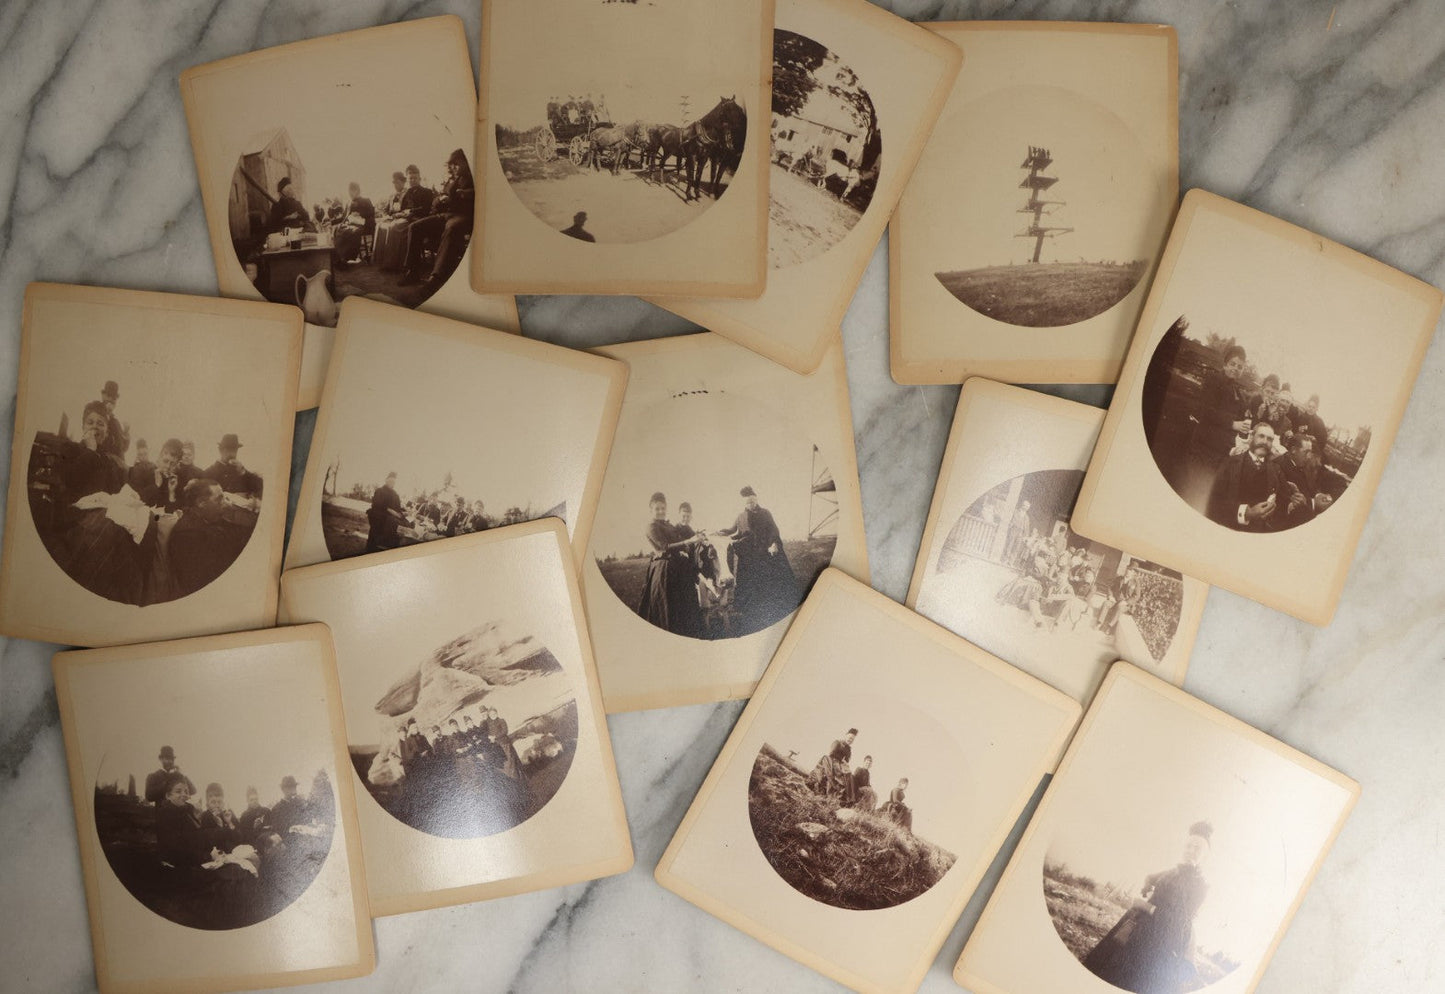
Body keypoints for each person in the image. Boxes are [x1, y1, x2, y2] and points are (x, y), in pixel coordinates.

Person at [1082, 821, 1212, 994]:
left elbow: (1181, 922)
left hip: (1158, 941)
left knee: (1128, 979)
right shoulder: (1174, 871)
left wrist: (1146, 906)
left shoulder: (1200, 885)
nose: (1190, 850)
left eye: (1197, 848)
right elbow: (1150, 876)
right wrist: (1147, 885)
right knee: (1106, 967)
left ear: (1205, 855)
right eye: (1188, 846)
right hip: (1136, 926)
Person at [717, 486, 798, 632]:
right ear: (744, 503)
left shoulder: (765, 513)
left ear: (756, 499)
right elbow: (733, 531)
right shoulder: (740, 516)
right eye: (748, 502)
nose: (751, 504)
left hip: (764, 554)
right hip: (748, 557)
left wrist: (773, 543)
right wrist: (721, 532)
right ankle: (749, 613)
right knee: (748, 584)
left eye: (753, 501)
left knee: (767, 584)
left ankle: (769, 610)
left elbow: (774, 530)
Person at [168, 478, 258, 597]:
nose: (226, 503)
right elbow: (201, 581)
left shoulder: (210, 517)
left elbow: (239, 534)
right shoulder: (187, 534)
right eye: (219, 499)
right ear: (201, 502)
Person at [400, 149, 474, 289]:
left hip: (463, 215)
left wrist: (458, 195)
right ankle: (412, 271)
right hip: (446, 214)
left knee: (451, 228)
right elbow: (439, 198)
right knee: (415, 227)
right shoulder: (454, 179)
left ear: (465, 162)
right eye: (451, 165)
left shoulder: (473, 176)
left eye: (456, 164)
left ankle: (436, 277)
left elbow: (475, 193)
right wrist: (440, 200)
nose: (453, 168)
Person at [636, 492, 704, 637]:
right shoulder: (651, 526)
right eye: (657, 509)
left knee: (686, 609)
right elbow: (664, 547)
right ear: (651, 510)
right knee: (668, 610)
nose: (661, 511)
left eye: (663, 508)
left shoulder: (668, 525)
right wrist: (687, 542)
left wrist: (692, 542)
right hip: (665, 572)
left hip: (678, 569)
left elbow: (680, 541)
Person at [1206, 423, 1287, 532]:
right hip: (1231, 529)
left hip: (1262, 533)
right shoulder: (1230, 464)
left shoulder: (1276, 470)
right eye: (1261, 436)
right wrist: (1246, 513)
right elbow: (1214, 503)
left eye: (1269, 439)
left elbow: (1284, 501)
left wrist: (1290, 502)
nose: (1265, 442)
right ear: (1251, 437)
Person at [1190, 344, 1253, 469]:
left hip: (1224, 448)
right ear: (1225, 365)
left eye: (1240, 367)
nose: (1235, 368)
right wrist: (1233, 424)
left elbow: (1241, 418)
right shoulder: (1214, 380)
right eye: (1232, 364)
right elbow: (1205, 411)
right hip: (1205, 445)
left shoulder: (1238, 391)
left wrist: (1245, 426)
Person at [54, 401, 125, 500]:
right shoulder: (70, 449)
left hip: (102, 512)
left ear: (106, 433)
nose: (95, 426)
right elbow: (69, 481)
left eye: (100, 424)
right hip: (75, 511)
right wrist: (90, 450)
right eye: (90, 422)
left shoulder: (108, 462)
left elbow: (115, 493)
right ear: (83, 428)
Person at [1276, 433, 1332, 529]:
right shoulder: (1280, 467)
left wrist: (1316, 497)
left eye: (1310, 452)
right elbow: (1285, 504)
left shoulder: (1294, 464)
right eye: (1306, 452)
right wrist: (1313, 503)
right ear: (1293, 450)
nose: (1309, 457)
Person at [155, 773, 209, 868]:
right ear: (168, 795)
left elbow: (199, 841)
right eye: (178, 791)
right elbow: (177, 850)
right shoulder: (166, 814)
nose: (184, 795)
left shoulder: (187, 812)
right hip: (175, 867)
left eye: (186, 792)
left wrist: (198, 819)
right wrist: (207, 857)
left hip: (191, 863)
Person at [135, 438, 191, 512]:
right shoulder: (144, 473)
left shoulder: (177, 482)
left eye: (172, 464)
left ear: (177, 464)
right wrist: (156, 486)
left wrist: (171, 493)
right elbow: (135, 502)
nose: (168, 466)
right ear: (160, 456)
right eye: (165, 461)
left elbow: (171, 514)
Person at [201, 434, 263, 500]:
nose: (231, 454)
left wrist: (243, 472)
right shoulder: (209, 472)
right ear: (220, 451)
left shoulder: (240, 470)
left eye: (234, 450)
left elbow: (260, 487)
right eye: (227, 450)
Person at [332, 181, 376, 266]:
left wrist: (360, 214)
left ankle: (346, 258)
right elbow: (343, 217)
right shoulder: (349, 203)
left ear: (357, 191)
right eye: (349, 192)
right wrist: (331, 222)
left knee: (350, 232)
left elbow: (371, 213)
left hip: (363, 225)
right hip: (351, 224)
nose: (350, 194)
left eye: (352, 192)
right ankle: (339, 257)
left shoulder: (366, 200)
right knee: (339, 229)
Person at [365, 472, 408, 552]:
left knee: (403, 523)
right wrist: (392, 512)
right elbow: (377, 504)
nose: (392, 483)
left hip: (391, 517)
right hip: (379, 514)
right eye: (390, 481)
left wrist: (403, 512)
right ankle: (373, 547)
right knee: (386, 521)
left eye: (393, 482)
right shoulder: (380, 491)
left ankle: (388, 546)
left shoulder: (395, 494)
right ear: (386, 480)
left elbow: (398, 508)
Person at [810, 728, 856, 801]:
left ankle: (848, 799)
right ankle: (831, 792)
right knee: (835, 773)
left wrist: (845, 762)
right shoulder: (837, 742)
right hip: (831, 761)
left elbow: (847, 760)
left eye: (852, 739)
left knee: (849, 775)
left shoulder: (849, 749)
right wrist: (841, 760)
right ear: (846, 735)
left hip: (840, 765)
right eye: (850, 738)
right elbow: (831, 753)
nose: (850, 740)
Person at [199, 782, 243, 853]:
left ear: (223, 802)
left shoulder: (228, 813)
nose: (217, 805)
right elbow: (210, 842)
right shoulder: (205, 816)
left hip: (234, 851)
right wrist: (220, 826)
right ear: (207, 803)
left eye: (219, 802)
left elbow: (239, 839)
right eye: (213, 802)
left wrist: (229, 823)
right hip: (217, 855)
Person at [98, 380, 129, 462]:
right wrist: (105, 414)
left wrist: (126, 432)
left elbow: (123, 448)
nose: (111, 400)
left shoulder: (116, 422)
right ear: (103, 395)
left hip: (117, 468)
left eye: (114, 398)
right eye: (109, 395)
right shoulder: (94, 413)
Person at [1004, 499, 1032, 567]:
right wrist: (1010, 527)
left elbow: (1027, 528)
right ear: (1022, 505)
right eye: (1025, 506)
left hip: (1021, 533)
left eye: (1027, 507)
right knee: (1010, 545)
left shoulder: (1027, 517)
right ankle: (1006, 560)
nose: (1026, 508)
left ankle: (1011, 561)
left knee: (1016, 548)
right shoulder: (1016, 511)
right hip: (1014, 530)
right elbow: (1010, 520)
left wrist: (1025, 536)